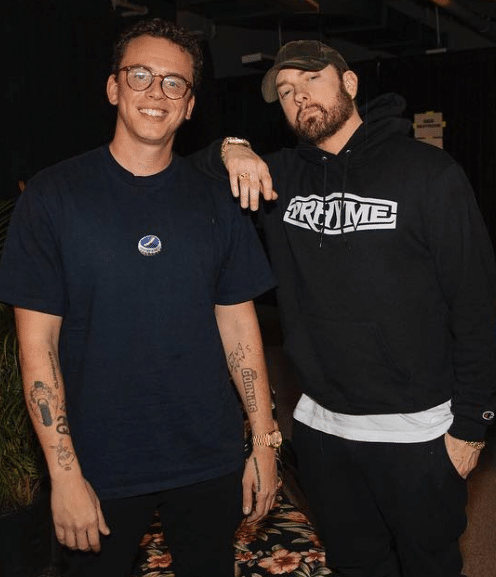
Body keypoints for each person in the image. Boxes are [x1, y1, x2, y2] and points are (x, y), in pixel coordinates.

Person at [193, 40, 496, 577]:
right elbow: (188, 174)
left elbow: (475, 305)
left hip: (419, 432)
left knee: (430, 566)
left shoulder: (429, 173)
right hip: (324, 430)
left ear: (349, 83)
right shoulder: (279, 177)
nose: (299, 96)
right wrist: (231, 148)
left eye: (311, 79)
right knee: (356, 566)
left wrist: (471, 428)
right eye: (286, 91)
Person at [0, 18, 280, 577]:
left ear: (190, 106)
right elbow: (37, 347)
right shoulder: (52, 197)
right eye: (140, 75)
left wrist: (265, 443)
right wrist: (63, 474)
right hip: (98, 464)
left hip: (208, 456)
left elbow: (241, 331)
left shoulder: (217, 202)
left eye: (174, 83)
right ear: (113, 87)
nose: (156, 92)